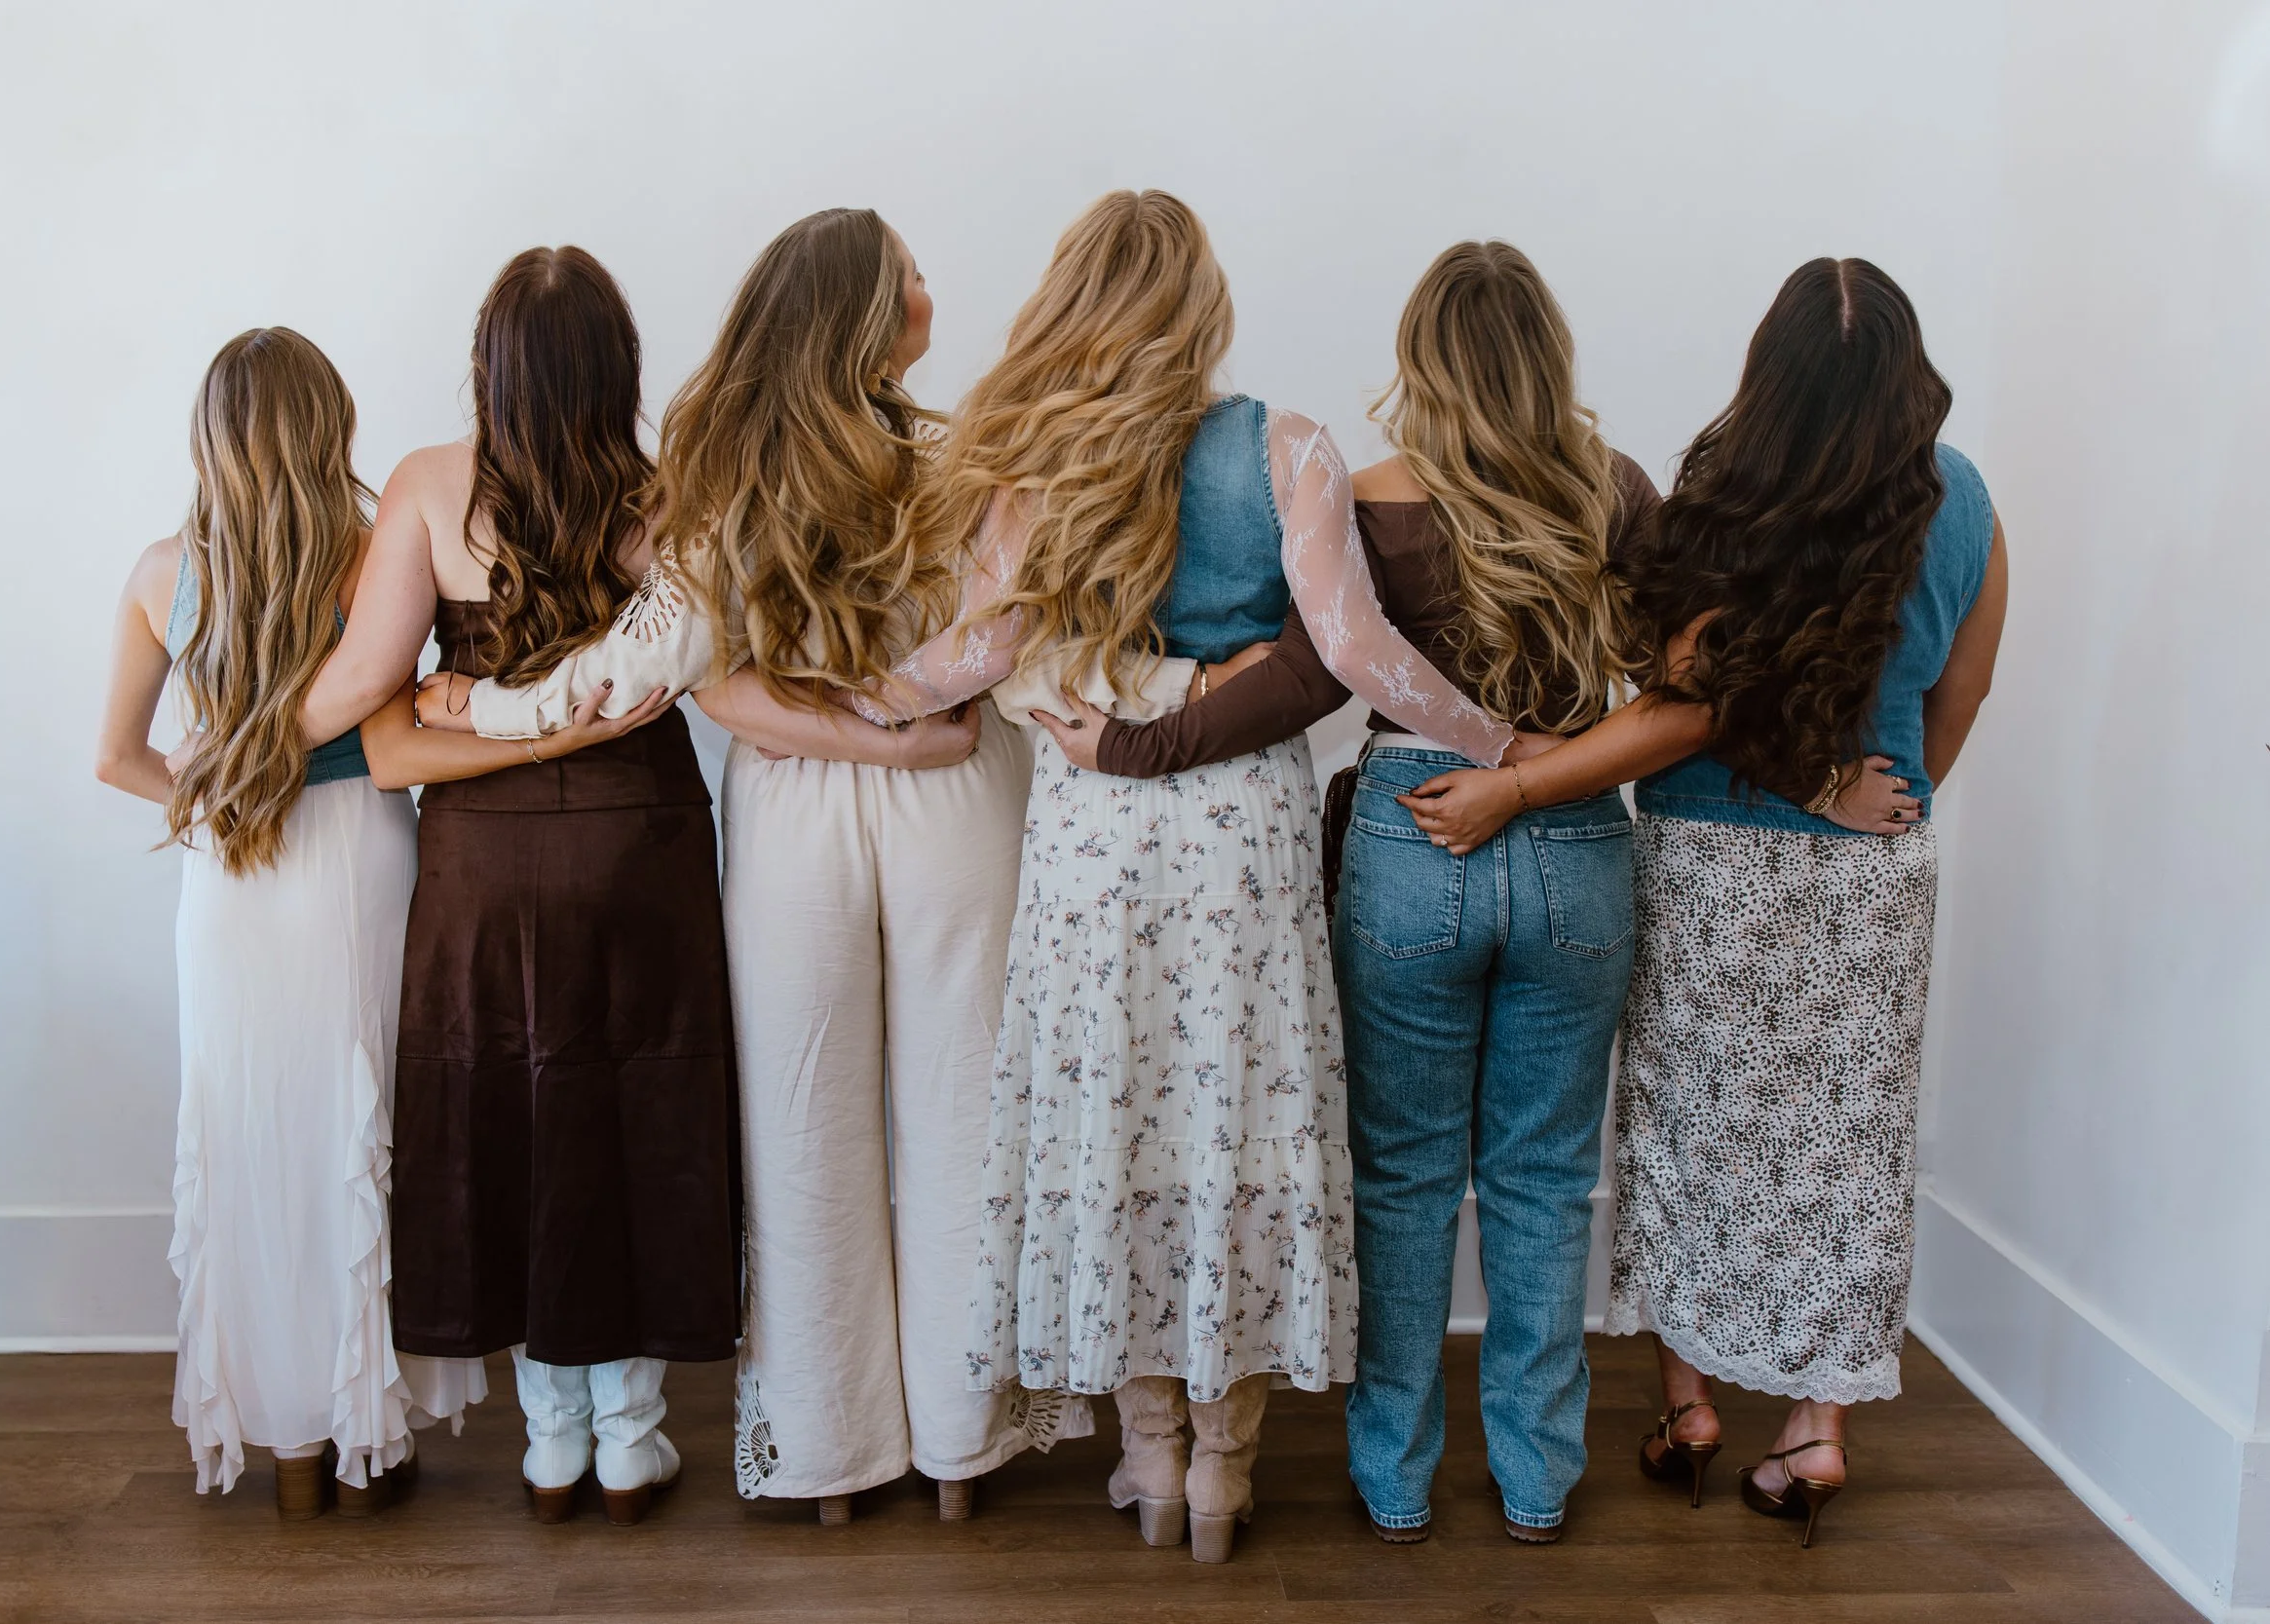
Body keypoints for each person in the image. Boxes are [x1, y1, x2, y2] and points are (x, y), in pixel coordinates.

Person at [852, 189, 1521, 1564]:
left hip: (1097, 837)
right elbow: (1355, 650)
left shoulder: (1035, 464)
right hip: (1242, 837)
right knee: (1242, 1133)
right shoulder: (1284, 446)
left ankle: (1148, 1458)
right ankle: (1226, 1471)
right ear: (1203, 309)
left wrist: (857, 693)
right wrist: (1503, 739)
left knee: (1119, 1130)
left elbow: (974, 657)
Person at [419, 209, 1101, 1526]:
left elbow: (690, 682)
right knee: (963, 1113)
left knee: (801, 1127)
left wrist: (474, 709)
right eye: (908, 272)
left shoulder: (722, 469)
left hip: (795, 808)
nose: (927, 287)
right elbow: (1016, 632)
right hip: (955, 784)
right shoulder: (975, 457)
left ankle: (830, 1456)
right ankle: (961, 1447)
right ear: (866, 313)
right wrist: (902, 733)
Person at [1402, 256, 2004, 1547]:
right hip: (1872, 875)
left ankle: (1687, 1409)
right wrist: (1889, 792)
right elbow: (1961, 692)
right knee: (1850, 1144)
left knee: (1686, 1128)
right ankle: (1817, 1429)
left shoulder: (1728, 498)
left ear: (1768, 372)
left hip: (1715, 858)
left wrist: (1540, 773)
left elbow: (1682, 697)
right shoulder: (1968, 503)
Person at [295, 246, 755, 1525]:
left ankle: (550, 1439)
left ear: (489, 362)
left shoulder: (431, 487)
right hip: (641, 840)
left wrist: (256, 724)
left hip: (485, 856)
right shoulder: (671, 494)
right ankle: (631, 1433)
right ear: (620, 366)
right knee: (637, 1110)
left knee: (510, 1108)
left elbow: (361, 686)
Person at [93, 328, 490, 1520]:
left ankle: (293, 1450)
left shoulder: (163, 572)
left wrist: (216, 795)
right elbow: (398, 694)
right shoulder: (370, 557)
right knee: (363, 1125)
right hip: (358, 851)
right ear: (332, 423)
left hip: (231, 874)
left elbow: (116, 756)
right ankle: (372, 1423)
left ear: (209, 432)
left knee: (251, 1140)